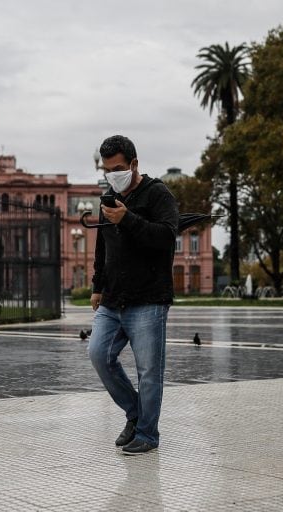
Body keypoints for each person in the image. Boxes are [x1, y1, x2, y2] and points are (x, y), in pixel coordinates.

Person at [88, 135, 179, 455]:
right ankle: (135, 413)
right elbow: (102, 247)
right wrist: (97, 286)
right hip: (113, 298)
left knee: (149, 372)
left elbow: (167, 238)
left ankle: (147, 434)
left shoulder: (157, 194)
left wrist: (127, 219)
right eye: (107, 170)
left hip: (149, 300)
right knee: (99, 354)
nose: (112, 175)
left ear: (134, 164)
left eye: (118, 168)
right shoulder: (108, 198)